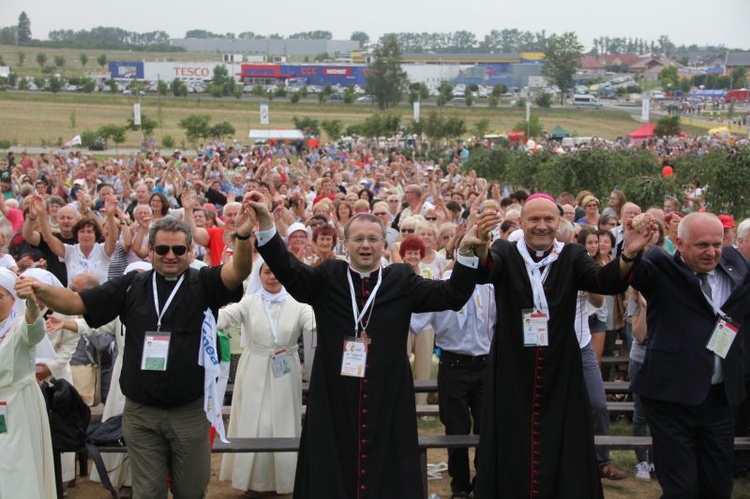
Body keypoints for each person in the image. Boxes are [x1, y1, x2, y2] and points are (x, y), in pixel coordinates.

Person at [247, 191, 495, 498]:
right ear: (346, 243)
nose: (366, 245)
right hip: (335, 396)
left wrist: (468, 253)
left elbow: (452, 294)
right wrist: (267, 223)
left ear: (383, 243)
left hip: (387, 396)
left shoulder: (401, 279)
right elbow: (289, 270)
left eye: (373, 239)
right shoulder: (329, 277)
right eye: (358, 239)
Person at [16, 201, 256, 499]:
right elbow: (77, 303)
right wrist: (40, 290)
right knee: (147, 492)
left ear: (190, 250)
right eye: (163, 250)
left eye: (179, 250)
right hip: (141, 413)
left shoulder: (202, 281)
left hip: (189, 411)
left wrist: (244, 238)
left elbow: (239, 271)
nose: (171, 256)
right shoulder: (132, 284)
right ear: (150, 250)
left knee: (191, 491)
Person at [474, 193, 656, 498]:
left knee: (563, 444)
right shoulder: (506, 251)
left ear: (559, 222)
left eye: (549, 219)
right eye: (534, 219)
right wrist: (479, 245)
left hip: (561, 371)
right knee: (512, 442)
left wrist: (627, 256)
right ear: (521, 222)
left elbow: (603, 282)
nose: (542, 226)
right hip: (511, 371)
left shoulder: (571, 255)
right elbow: (486, 269)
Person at [630, 212, 750, 499]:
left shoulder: (737, 266)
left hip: (720, 399)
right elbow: (626, 276)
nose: (712, 252)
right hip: (671, 397)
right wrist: (630, 252)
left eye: (717, 244)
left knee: (718, 487)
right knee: (681, 489)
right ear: (679, 244)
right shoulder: (659, 267)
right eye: (702, 245)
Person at [218, 261, 315, 497]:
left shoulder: (298, 304)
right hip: (254, 367)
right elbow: (225, 316)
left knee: (281, 422)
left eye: (277, 271)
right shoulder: (249, 302)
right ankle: (252, 481)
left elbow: (315, 322)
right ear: (259, 275)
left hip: (285, 368)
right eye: (267, 272)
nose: (272, 277)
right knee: (256, 422)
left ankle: (283, 480)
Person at [410, 268, 496, 498]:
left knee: (486, 426)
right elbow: (414, 322)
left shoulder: (490, 287)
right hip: (453, 364)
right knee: (456, 428)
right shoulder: (443, 286)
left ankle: (482, 481)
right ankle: (459, 484)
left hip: (485, 364)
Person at [0, 267, 56, 498]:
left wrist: (32, 305)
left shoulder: (19, 325)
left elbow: (33, 331)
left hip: (17, 405)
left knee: (17, 466)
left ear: (13, 300)